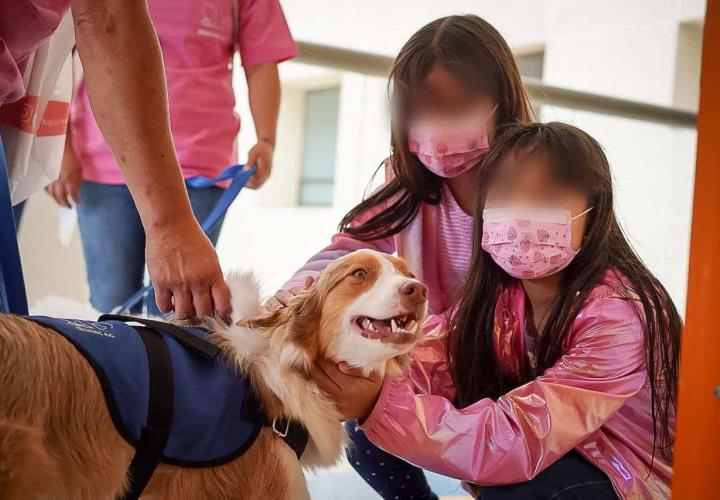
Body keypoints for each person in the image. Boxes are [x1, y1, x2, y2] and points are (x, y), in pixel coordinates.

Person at [310, 122, 682, 499]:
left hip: (626, 473)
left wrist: (378, 403)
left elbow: (519, 437)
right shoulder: (502, 300)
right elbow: (429, 356)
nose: (521, 211)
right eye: (504, 194)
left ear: (594, 211)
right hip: (553, 452)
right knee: (369, 427)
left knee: (520, 490)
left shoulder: (619, 315)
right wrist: (361, 376)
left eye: (546, 197)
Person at [271, 14, 532, 499]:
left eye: (458, 106)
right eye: (423, 110)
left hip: (510, 359)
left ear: (502, 98)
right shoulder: (404, 182)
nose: (438, 126)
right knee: (368, 435)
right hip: (435, 352)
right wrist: (284, 305)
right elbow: (344, 251)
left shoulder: (529, 188)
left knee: (499, 471)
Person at [47, 0, 296, 314]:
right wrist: (60, 146)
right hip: (104, 162)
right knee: (113, 300)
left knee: (181, 307)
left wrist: (266, 139)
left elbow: (263, 60)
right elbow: (59, 52)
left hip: (202, 162)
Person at [0, 0, 231, 318]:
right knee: (111, 299)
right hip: (96, 168)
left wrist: (170, 223)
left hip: (13, 120)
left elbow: (108, 19)